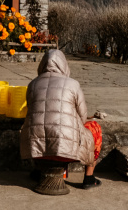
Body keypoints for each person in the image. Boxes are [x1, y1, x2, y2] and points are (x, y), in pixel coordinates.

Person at [20, 48, 102, 191]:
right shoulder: (73, 84)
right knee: (94, 127)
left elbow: (31, 112)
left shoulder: (32, 84)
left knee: (38, 125)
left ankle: (39, 170)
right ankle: (89, 178)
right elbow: (83, 118)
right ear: (64, 65)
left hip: (36, 151)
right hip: (65, 152)